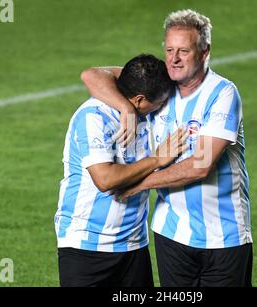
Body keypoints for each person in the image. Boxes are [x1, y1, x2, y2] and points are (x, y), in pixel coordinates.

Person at [81, 9, 253, 287]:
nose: (173, 59)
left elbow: (200, 165)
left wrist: (140, 183)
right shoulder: (162, 86)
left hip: (224, 236)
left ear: (204, 52)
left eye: (183, 51)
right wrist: (126, 107)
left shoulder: (222, 93)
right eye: (169, 49)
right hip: (170, 234)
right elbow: (92, 75)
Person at [55, 54, 188, 287]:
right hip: (86, 247)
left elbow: (95, 74)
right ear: (138, 99)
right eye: (157, 103)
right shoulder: (93, 117)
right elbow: (105, 179)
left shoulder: (143, 109)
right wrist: (157, 159)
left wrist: (127, 108)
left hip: (133, 245)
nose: (161, 107)